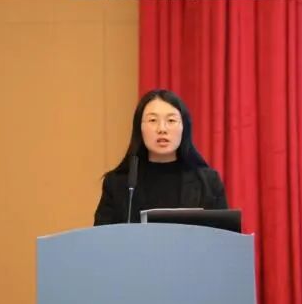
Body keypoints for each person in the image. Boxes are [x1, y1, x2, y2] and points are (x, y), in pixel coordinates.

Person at [94, 88, 228, 224]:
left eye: (171, 120)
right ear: (139, 128)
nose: (162, 129)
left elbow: (224, 235)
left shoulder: (208, 183)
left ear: (184, 127)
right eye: (153, 120)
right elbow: (102, 235)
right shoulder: (119, 184)